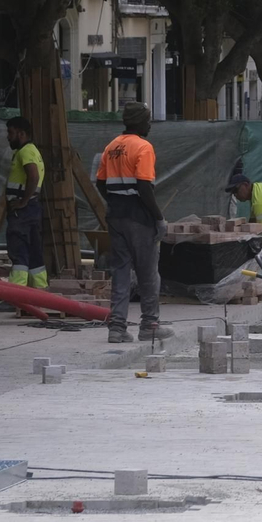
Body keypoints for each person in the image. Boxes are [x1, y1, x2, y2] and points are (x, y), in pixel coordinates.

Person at [96, 102, 165, 343]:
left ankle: (117, 328)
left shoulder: (111, 147)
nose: (150, 125)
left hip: (116, 217)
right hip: (139, 218)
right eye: (148, 120)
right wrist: (158, 218)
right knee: (148, 273)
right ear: (139, 122)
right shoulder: (143, 147)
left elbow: (100, 183)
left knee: (121, 272)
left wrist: (115, 201)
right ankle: (150, 326)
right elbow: (144, 187)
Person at [2, 115, 46, 290]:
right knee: (34, 253)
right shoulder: (33, 151)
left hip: (23, 211)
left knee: (18, 250)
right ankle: (40, 292)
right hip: (32, 209)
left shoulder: (25, 152)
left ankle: (16, 295)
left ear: (21, 134)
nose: (8, 137)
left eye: (10, 133)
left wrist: (22, 202)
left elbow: (33, 176)